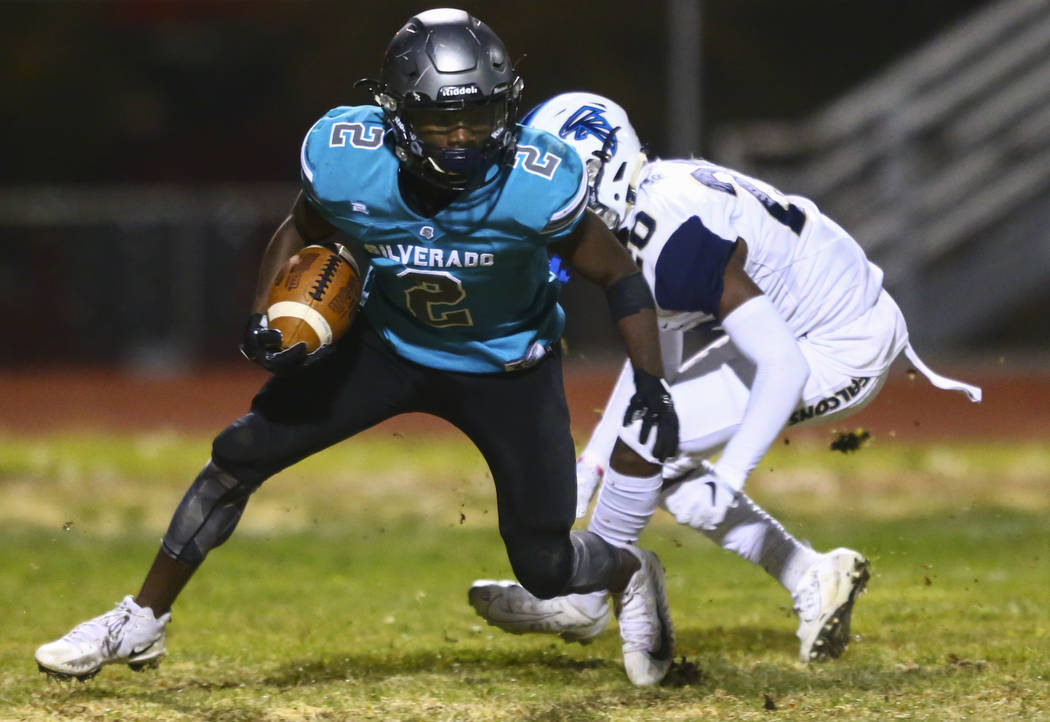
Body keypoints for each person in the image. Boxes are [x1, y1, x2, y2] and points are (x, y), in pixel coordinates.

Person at [34, 15, 682, 687]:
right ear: (396, 116)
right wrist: (266, 316)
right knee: (238, 456)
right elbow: (300, 227)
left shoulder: (537, 177)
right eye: (440, 121)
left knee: (544, 566)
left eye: (480, 116)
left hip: (506, 366)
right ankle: (141, 619)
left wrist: (651, 382)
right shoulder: (350, 157)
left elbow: (618, 273)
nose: (463, 139)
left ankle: (629, 570)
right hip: (388, 344)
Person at [469, 92, 982, 663]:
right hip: (808, 322)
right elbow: (653, 362)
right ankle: (813, 574)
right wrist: (591, 461)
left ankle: (586, 596)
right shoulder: (650, 205)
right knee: (654, 460)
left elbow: (782, 365)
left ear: (599, 172)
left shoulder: (669, 238)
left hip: (839, 343)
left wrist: (733, 472)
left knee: (647, 449)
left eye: (559, 185)